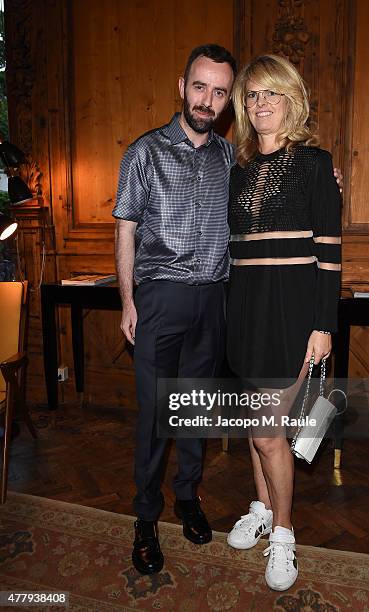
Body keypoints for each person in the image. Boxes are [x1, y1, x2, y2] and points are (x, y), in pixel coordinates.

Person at [113, 44, 236, 575]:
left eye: (219, 91)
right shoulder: (144, 152)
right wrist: (127, 301)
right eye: (200, 86)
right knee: (155, 419)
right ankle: (145, 517)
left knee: (196, 409)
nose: (207, 100)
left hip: (213, 299)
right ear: (181, 86)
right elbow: (125, 228)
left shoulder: (229, 157)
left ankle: (187, 498)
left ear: (227, 100)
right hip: (159, 298)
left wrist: (327, 186)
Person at [226, 54, 342, 592]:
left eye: (270, 93)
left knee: (271, 433)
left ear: (291, 99)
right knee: (255, 429)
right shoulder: (239, 169)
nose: (260, 103)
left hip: (293, 314)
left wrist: (324, 324)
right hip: (246, 311)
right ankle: (261, 507)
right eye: (251, 95)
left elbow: (331, 253)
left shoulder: (317, 164)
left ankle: (284, 535)